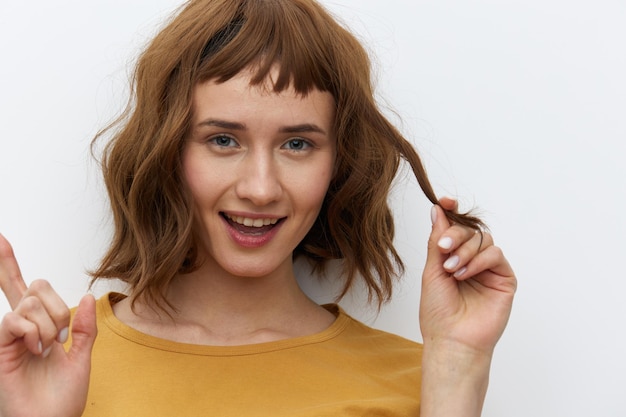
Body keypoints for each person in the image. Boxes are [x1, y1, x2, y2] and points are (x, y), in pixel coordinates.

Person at [0, 0, 516, 416]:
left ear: (338, 163)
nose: (261, 189)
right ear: (167, 150)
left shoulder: (418, 384)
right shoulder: (45, 367)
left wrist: (460, 363)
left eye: (298, 145)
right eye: (223, 139)